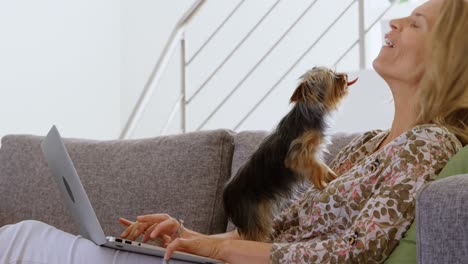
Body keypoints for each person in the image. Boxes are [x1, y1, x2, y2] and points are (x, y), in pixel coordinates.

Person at [0, 0, 466, 263]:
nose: (394, 20)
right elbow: (276, 234)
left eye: (416, 23)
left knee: (24, 241)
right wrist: (189, 236)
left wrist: (213, 251)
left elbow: (355, 253)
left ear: (447, 58)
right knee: (28, 239)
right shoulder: (369, 144)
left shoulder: (427, 146)